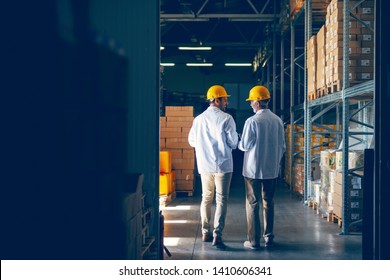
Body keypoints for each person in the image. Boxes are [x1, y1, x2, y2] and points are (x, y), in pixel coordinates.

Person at [188, 85, 239, 249]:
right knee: (221, 199)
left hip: (205, 165)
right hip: (223, 165)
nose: (227, 101)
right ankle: (217, 234)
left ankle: (205, 232)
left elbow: (192, 141)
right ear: (217, 100)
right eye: (225, 99)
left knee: (206, 198)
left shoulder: (198, 119)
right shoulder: (227, 118)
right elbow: (233, 143)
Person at [238, 85, 285, 249]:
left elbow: (244, 145)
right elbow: (282, 146)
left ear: (257, 102)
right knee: (269, 202)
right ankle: (269, 237)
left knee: (253, 203)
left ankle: (253, 241)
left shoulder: (252, 121)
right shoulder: (277, 120)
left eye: (251, 101)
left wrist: (239, 140)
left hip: (253, 170)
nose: (250, 104)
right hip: (271, 170)